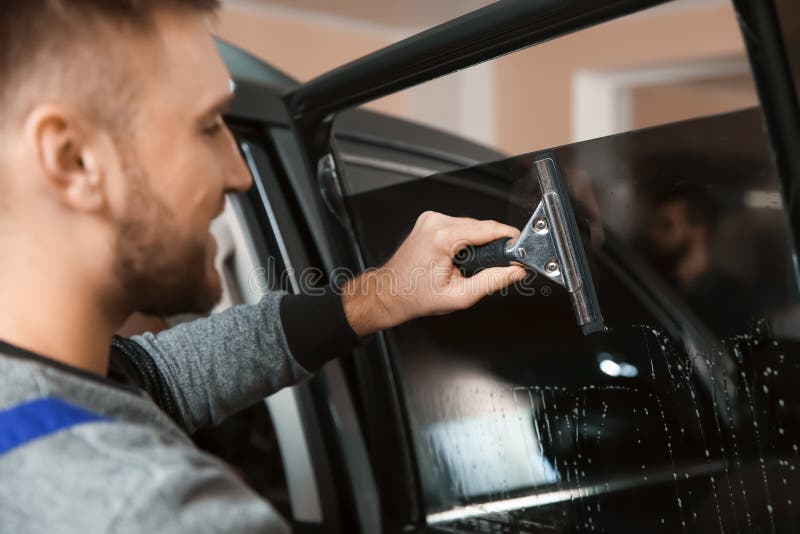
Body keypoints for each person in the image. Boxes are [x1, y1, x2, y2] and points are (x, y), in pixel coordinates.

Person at [0, 1, 526, 532]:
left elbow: (161, 376)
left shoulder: (35, 389)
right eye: (207, 127)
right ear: (74, 159)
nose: (239, 173)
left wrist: (384, 295)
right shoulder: (158, 511)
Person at [645, 182, 755, 337]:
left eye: (666, 225)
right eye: (654, 225)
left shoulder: (735, 300)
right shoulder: (650, 287)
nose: (654, 234)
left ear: (699, 231)